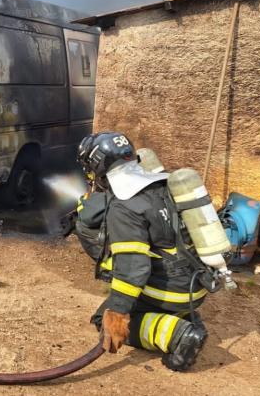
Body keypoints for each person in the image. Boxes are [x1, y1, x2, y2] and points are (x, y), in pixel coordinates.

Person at [74, 132, 209, 371]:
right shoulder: (160, 182)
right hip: (195, 283)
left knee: (102, 319)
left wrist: (118, 311)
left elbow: (133, 267)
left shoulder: (124, 205)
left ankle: (178, 334)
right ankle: (183, 317)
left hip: (170, 291)